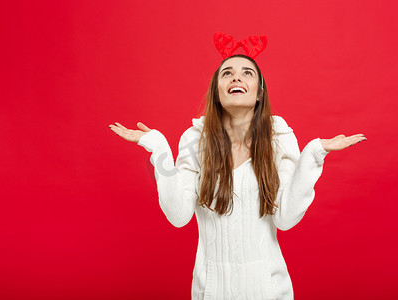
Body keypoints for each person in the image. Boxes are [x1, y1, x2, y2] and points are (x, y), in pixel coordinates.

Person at [109, 49, 366, 299]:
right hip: (211, 292)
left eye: (247, 73)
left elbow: (285, 219)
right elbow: (178, 216)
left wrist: (314, 153)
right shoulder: (195, 140)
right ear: (217, 94)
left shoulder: (279, 137)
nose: (236, 77)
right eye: (227, 73)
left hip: (269, 291)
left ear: (259, 94)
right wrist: (158, 146)